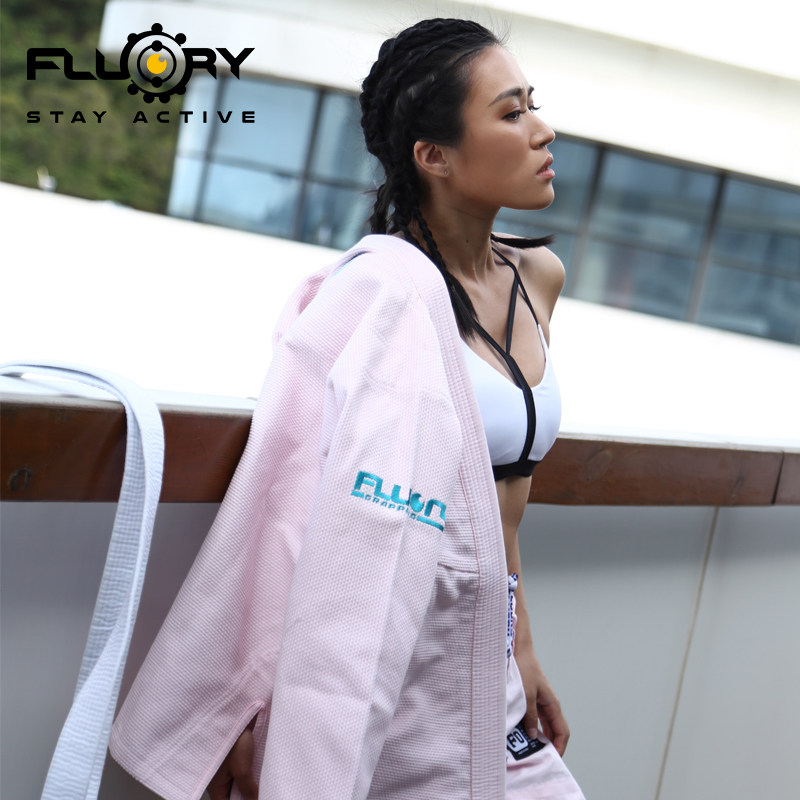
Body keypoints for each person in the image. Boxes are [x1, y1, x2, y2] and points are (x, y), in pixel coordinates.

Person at [109, 18, 584, 800]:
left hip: (480, 657)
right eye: (511, 112)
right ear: (433, 156)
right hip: (384, 661)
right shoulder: (379, 293)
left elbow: (503, 510)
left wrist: (520, 648)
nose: (543, 129)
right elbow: (295, 501)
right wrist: (258, 705)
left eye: (533, 104)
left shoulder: (539, 279)